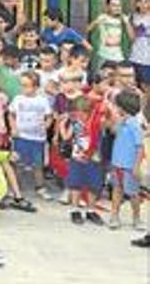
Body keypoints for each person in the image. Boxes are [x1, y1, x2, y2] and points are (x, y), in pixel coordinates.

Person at [55, 70, 105, 226]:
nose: (79, 117)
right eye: (76, 114)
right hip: (77, 157)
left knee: (93, 185)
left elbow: (106, 115)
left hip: (94, 157)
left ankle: (90, 210)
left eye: (82, 114)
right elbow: (66, 137)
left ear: (89, 112)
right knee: (75, 184)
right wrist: (62, 124)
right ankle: (75, 210)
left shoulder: (97, 123)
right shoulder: (75, 123)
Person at [8, 71, 54, 201]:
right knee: (17, 162)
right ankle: (15, 186)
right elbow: (11, 114)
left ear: (36, 87)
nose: (24, 89)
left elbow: (49, 116)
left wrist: (46, 125)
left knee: (37, 164)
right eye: (22, 85)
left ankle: (40, 187)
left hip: (37, 138)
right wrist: (13, 128)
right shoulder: (18, 99)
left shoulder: (42, 100)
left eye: (27, 85)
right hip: (21, 136)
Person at [108, 90, 145, 230]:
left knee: (133, 194)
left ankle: (137, 218)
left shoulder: (135, 125)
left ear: (123, 107)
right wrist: (118, 121)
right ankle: (114, 216)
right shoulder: (122, 122)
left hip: (129, 166)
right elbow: (113, 131)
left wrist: (136, 166)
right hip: (116, 163)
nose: (116, 108)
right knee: (116, 190)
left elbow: (140, 147)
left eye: (117, 106)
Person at [86, 0, 129, 69]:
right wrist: (96, 22)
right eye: (114, 5)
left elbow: (132, 37)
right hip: (104, 55)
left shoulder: (124, 19)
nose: (117, 8)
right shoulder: (102, 17)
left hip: (119, 56)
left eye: (119, 5)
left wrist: (127, 23)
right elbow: (88, 29)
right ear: (108, 6)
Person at [129, 0, 150, 94]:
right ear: (137, 3)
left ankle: (146, 109)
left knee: (145, 86)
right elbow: (131, 37)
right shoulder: (133, 17)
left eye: (147, 2)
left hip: (147, 58)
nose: (144, 5)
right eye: (141, 2)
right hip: (134, 56)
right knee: (134, 84)